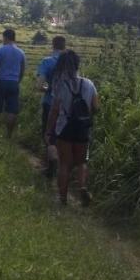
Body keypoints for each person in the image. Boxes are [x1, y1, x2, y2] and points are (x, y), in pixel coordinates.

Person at [45, 50, 99, 206]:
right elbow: (96, 107)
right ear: (77, 65)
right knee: (82, 162)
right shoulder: (89, 84)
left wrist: (49, 131)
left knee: (65, 164)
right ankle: (82, 187)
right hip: (82, 129)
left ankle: (62, 199)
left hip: (64, 129)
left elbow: (54, 111)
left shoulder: (61, 85)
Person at [36, 35, 67, 177]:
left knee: (48, 134)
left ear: (52, 45)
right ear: (64, 46)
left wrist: (47, 89)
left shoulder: (47, 61)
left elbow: (39, 85)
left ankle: (51, 165)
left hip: (50, 102)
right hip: (67, 104)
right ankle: (64, 166)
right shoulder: (70, 62)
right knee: (63, 135)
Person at [0, 28, 25, 138]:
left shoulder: (0, 50)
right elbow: (22, 70)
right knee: (12, 110)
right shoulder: (21, 52)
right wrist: (18, 81)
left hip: (1, 81)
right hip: (14, 83)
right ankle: (8, 135)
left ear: (6, 37)